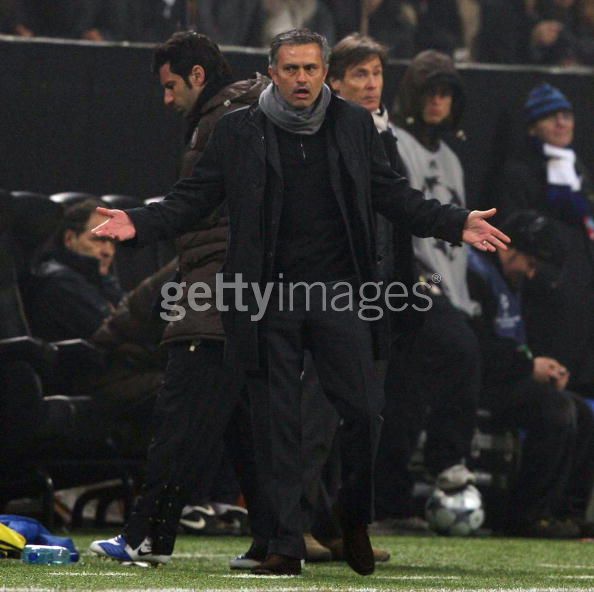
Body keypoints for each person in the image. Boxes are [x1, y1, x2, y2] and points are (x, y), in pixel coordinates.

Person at [93, 28, 509, 577]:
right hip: (265, 296)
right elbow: (193, 199)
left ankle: (352, 516)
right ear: (272, 73)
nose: (302, 79)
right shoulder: (239, 130)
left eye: (311, 68)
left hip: (338, 293)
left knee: (363, 412)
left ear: (323, 72)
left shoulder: (353, 125)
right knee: (276, 427)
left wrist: (455, 223)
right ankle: (285, 545)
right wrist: (139, 222)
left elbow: (392, 195)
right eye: (291, 69)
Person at [89, 31, 271, 566]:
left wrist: (141, 222)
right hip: (250, 293)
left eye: (170, 86)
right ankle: (277, 540)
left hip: (218, 291)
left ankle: (147, 535)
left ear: (197, 76)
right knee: (246, 430)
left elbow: (195, 206)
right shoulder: (248, 115)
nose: (166, 99)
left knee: (179, 418)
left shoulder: (222, 123)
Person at [368, 49, 482, 530]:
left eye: (446, 94)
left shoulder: (451, 159)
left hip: (448, 287)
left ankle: (391, 503)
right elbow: (400, 219)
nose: (437, 101)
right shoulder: (397, 145)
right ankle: (447, 460)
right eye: (430, 92)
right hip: (416, 283)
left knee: (405, 396)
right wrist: (420, 283)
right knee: (458, 349)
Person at [468, 210, 594, 537]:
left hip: (508, 378)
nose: (532, 273)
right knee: (556, 410)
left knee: (582, 411)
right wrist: (528, 366)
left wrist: (544, 367)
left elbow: (515, 346)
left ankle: (566, 513)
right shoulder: (475, 273)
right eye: (532, 263)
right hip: (477, 383)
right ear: (510, 249)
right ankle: (526, 515)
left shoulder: (514, 283)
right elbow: (474, 344)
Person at [498, 83, 594, 391]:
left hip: (582, 296)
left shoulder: (578, 171)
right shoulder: (519, 172)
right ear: (533, 126)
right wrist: (546, 276)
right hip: (544, 300)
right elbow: (513, 232)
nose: (561, 122)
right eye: (552, 116)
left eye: (567, 115)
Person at [28, 199, 123, 341]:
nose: (108, 252)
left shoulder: (102, 281)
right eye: (99, 240)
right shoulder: (60, 282)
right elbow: (117, 334)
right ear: (69, 238)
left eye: (112, 242)